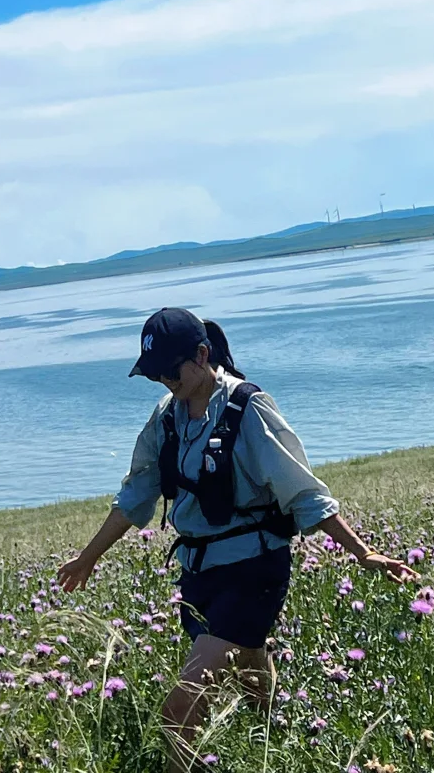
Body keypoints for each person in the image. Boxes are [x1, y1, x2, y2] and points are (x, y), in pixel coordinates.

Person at [58, 307, 413, 771]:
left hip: (253, 570)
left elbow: (304, 492)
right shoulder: (167, 419)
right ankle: (278, 742)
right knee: (248, 661)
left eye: (171, 369)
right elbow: (135, 494)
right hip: (199, 574)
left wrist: (362, 552)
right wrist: (87, 559)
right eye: (155, 374)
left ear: (202, 354)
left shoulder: (249, 409)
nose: (165, 381)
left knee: (180, 708)